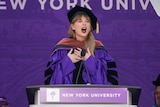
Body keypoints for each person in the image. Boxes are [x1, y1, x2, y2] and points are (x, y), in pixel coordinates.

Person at [44, 5, 118, 85]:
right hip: (67, 96)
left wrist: (90, 61)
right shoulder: (61, 49)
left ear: (90, 26)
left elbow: (110, 81)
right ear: (73, 26)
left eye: (87, 21)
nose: (84, 24)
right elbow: (50, 81)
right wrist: (68, 61)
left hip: (93, 96)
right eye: (79, 21)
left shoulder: (99, 50)